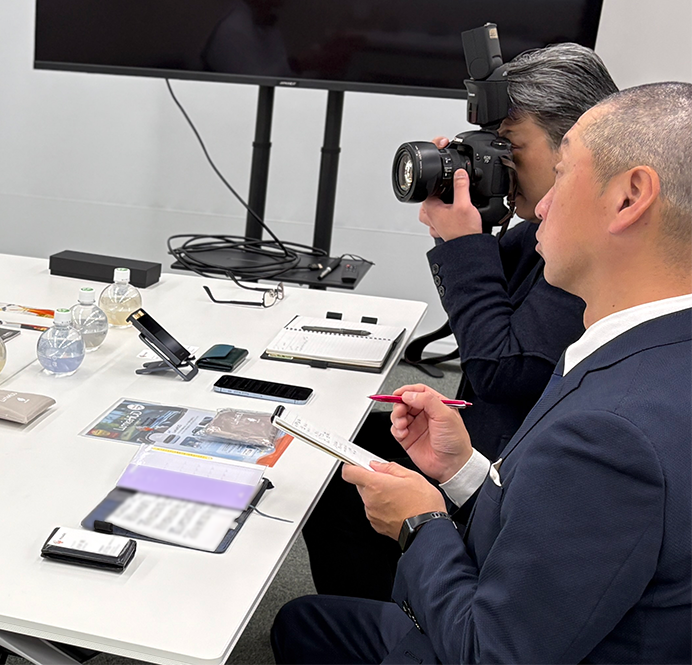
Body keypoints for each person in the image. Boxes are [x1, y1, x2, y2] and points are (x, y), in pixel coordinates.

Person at [273, 82, 692, 664]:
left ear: (629, 198)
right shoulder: (650, 348)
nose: (541, 206)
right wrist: (463, 471)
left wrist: (419, 523)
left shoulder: (611, 433)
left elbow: (493, 653)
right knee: (306, 623)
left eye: (562, 174)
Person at [302, 42, 617, 601]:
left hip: (519, 464)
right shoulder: (544, 226)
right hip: (492, 430)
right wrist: (478, 211)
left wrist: (463, 243)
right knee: (347, 448)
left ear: (574, 143)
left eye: (510, 146)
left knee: (342, 484)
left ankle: (398, 623)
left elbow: (503, 368)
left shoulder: (598, 242)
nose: (500, 160)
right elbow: (492, 304)